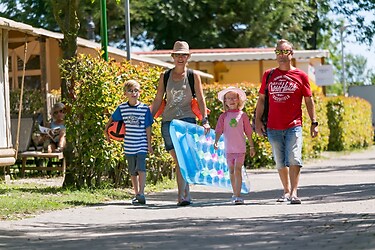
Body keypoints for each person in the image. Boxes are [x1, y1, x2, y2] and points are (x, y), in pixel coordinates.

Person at [254, 39, 319, 204]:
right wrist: (258, 121)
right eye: (278, 52)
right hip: (273, 126)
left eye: (285, 52)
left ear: (292, 53)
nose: (281, 55)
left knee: (294, 158)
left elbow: (309, 100)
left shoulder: (301, 76)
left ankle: (294, 193)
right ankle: (286, 191)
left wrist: (314, 122)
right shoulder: (268, 75)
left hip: (294, 125)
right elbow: (262, 100)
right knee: (280, 160)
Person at [151, 41, 210, 206]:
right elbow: (158, 99)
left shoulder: (193, 76)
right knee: (178, 159)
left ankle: (181, 195)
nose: (180, 58)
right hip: (168, 121)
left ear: (188, 57)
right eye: (177, 55)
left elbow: (200, 98)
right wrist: (149, 117)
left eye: (183, 55)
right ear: (173, 57)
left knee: (181, 159)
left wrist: (204, 120)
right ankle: (186, 193)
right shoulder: (165, 76)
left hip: (186, 121)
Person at [104, 80, 154, 205]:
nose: (133, 93)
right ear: (125, 93)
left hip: (141, 144)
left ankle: (142, 193)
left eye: (136, 90)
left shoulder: (144, 108)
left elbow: (148, 127)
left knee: (141, 168)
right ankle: (136, 193)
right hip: (129, 144)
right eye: (130, 91)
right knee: (132, 171)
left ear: (140, 92)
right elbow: (111, 121)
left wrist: (149, 144)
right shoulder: (122, 108)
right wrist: (106, 132)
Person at [214, 87, 256, 205]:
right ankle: (234, 192)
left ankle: (238, 195)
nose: (231, 100)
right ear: (225, 102)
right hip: (229, 149)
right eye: (228, 98)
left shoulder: (242, 115)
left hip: (240, 148)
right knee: (231, 171)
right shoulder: (223, 116)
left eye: (234, 98)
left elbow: (248, 132)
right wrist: (216, 141)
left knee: (238, 170)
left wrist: (252, 146)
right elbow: (218, 130)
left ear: (238, 100)